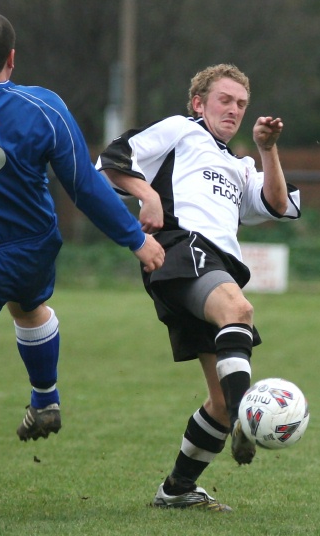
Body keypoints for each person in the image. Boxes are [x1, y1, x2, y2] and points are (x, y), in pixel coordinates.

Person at [0, 11, 165, 516]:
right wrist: (134, 240)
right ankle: (44, 398)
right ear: (12, 59)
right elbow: (84, 185)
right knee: (30, 307)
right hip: (34, 250)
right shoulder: (45, 107)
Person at [96, 63, 301, 512]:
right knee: (239, 310)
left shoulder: (239, 164)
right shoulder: (179, 131)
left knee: (219, 405)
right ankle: (249, 416)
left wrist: (268, 150)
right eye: (224, 100)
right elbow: (108, 163)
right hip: (181, 248)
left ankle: (176, 489)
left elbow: (276, 204)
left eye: (241, 104)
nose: (233, 110)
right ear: (198, 103)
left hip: (215, 268)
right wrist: (146, 195)